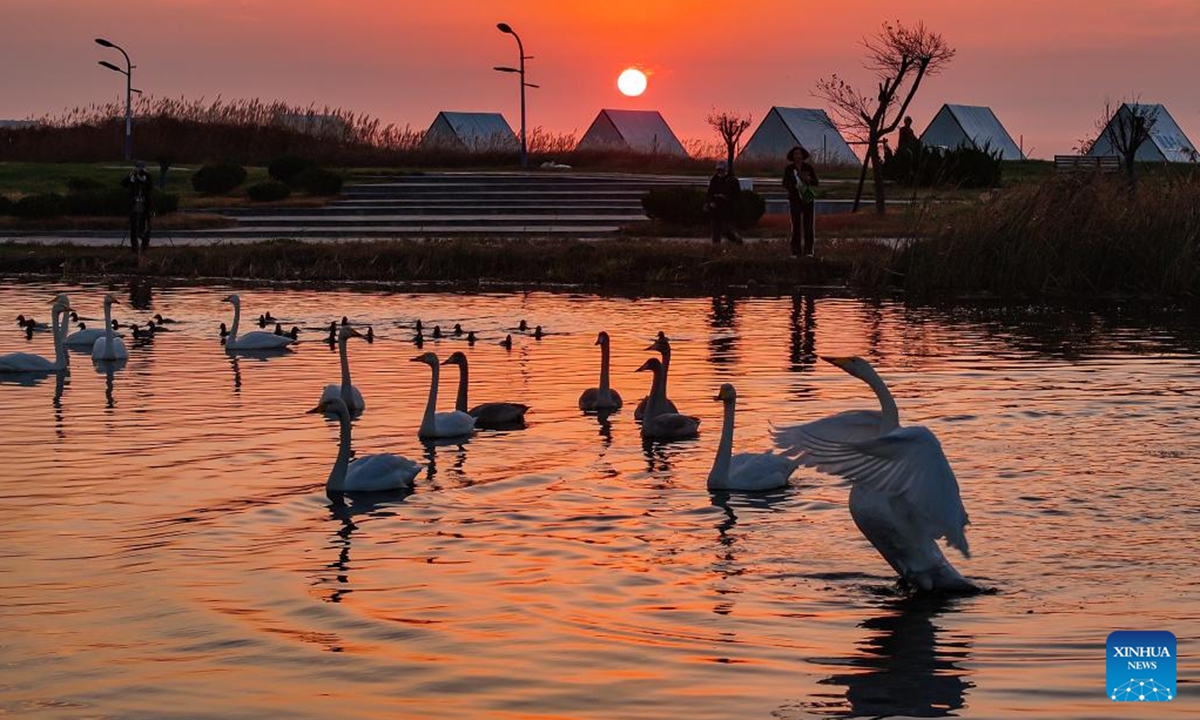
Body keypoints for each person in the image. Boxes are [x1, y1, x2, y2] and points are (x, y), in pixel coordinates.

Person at [783, 146, 819, 257]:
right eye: (795, 154)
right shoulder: (789, 169)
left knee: (808, 225)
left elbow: (816, 182)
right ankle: (795, 251)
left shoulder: (808, 168)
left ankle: (809, 251)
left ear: (803, 155)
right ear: (792, 156)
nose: (798, 156)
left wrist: (808, 179)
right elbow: (784, 183)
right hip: (794, 199)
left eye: (799, 154)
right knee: (796, 225)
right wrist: (794, 186)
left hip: (807, 199)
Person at [706, 160, 743, 245]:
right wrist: (711, 202)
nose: (720, 172)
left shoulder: (732, 181)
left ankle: (737, 240)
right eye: (719, 170)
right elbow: (709, 193)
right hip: (715, 209)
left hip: (727, 209)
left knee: (728, 231)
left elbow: (737, 195)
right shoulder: (714, 180)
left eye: (722, 170)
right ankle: (716, 247)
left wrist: (727, 199)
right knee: (715, 231)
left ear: (726, 170)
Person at [121, 161, 154, 253]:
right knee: (133, 225)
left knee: (145, 225)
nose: (139, 170)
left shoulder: (148, 176)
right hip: (134, 204)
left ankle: (144, 246)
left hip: (145, 205)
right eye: (138, 168)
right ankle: (134, 248)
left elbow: (150, 186)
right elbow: (123, 184)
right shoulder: (132, 175)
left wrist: (143, 180)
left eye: (141, 168)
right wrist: (130, 178)